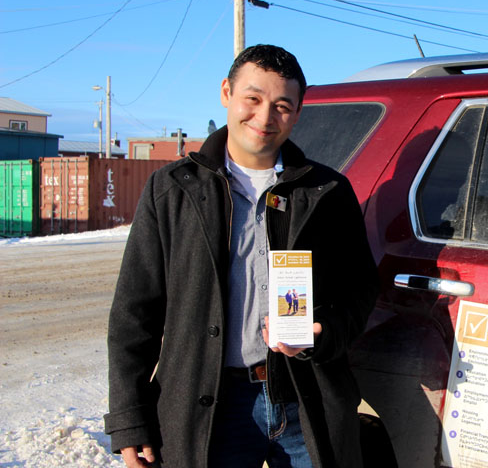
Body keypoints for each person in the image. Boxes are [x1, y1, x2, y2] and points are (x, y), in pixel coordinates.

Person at [104, 44, 379, 468]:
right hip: (211, 406)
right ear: (226, 93)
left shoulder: (326, 192)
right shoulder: (173, 190)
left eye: (282, 105)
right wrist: (130, 420)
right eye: (253, 99)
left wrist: (324, 334)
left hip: (303, 401)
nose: (265, 117)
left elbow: (359, 290)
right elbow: (133, 315)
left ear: (298, 111)